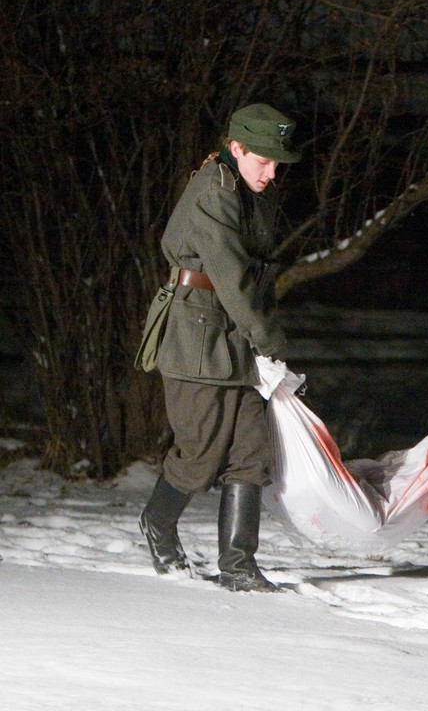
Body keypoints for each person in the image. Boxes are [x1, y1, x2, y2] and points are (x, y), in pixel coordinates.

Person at [139, 103, 301, 592]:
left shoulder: (247, 190)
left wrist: (261, 340)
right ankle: (158, 525)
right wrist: (270, 341)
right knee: (200, 452)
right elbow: (231, 279)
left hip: (235, 336)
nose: (271, 173)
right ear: (237, 148)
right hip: (197, 337)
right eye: (264, 162)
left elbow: (253, 275)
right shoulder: (216, 189)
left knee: (251, 450)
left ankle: (238, 566)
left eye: (277, 164)